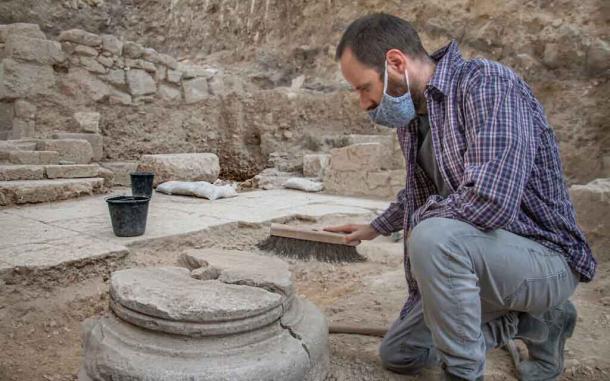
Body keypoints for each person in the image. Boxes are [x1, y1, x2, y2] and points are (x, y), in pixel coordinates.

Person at [324, 13, 596, 381]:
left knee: (433, 235)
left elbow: (490, 201)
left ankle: (465, 372)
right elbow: (423, 194)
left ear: (396, 63)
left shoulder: (487, 85)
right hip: (479, 256)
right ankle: (537, 324)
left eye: (363, 87)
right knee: (401, 353)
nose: (363, 103)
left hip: (544, 259)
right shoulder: (415, 119)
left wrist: (422, 226)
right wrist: (375, 227)